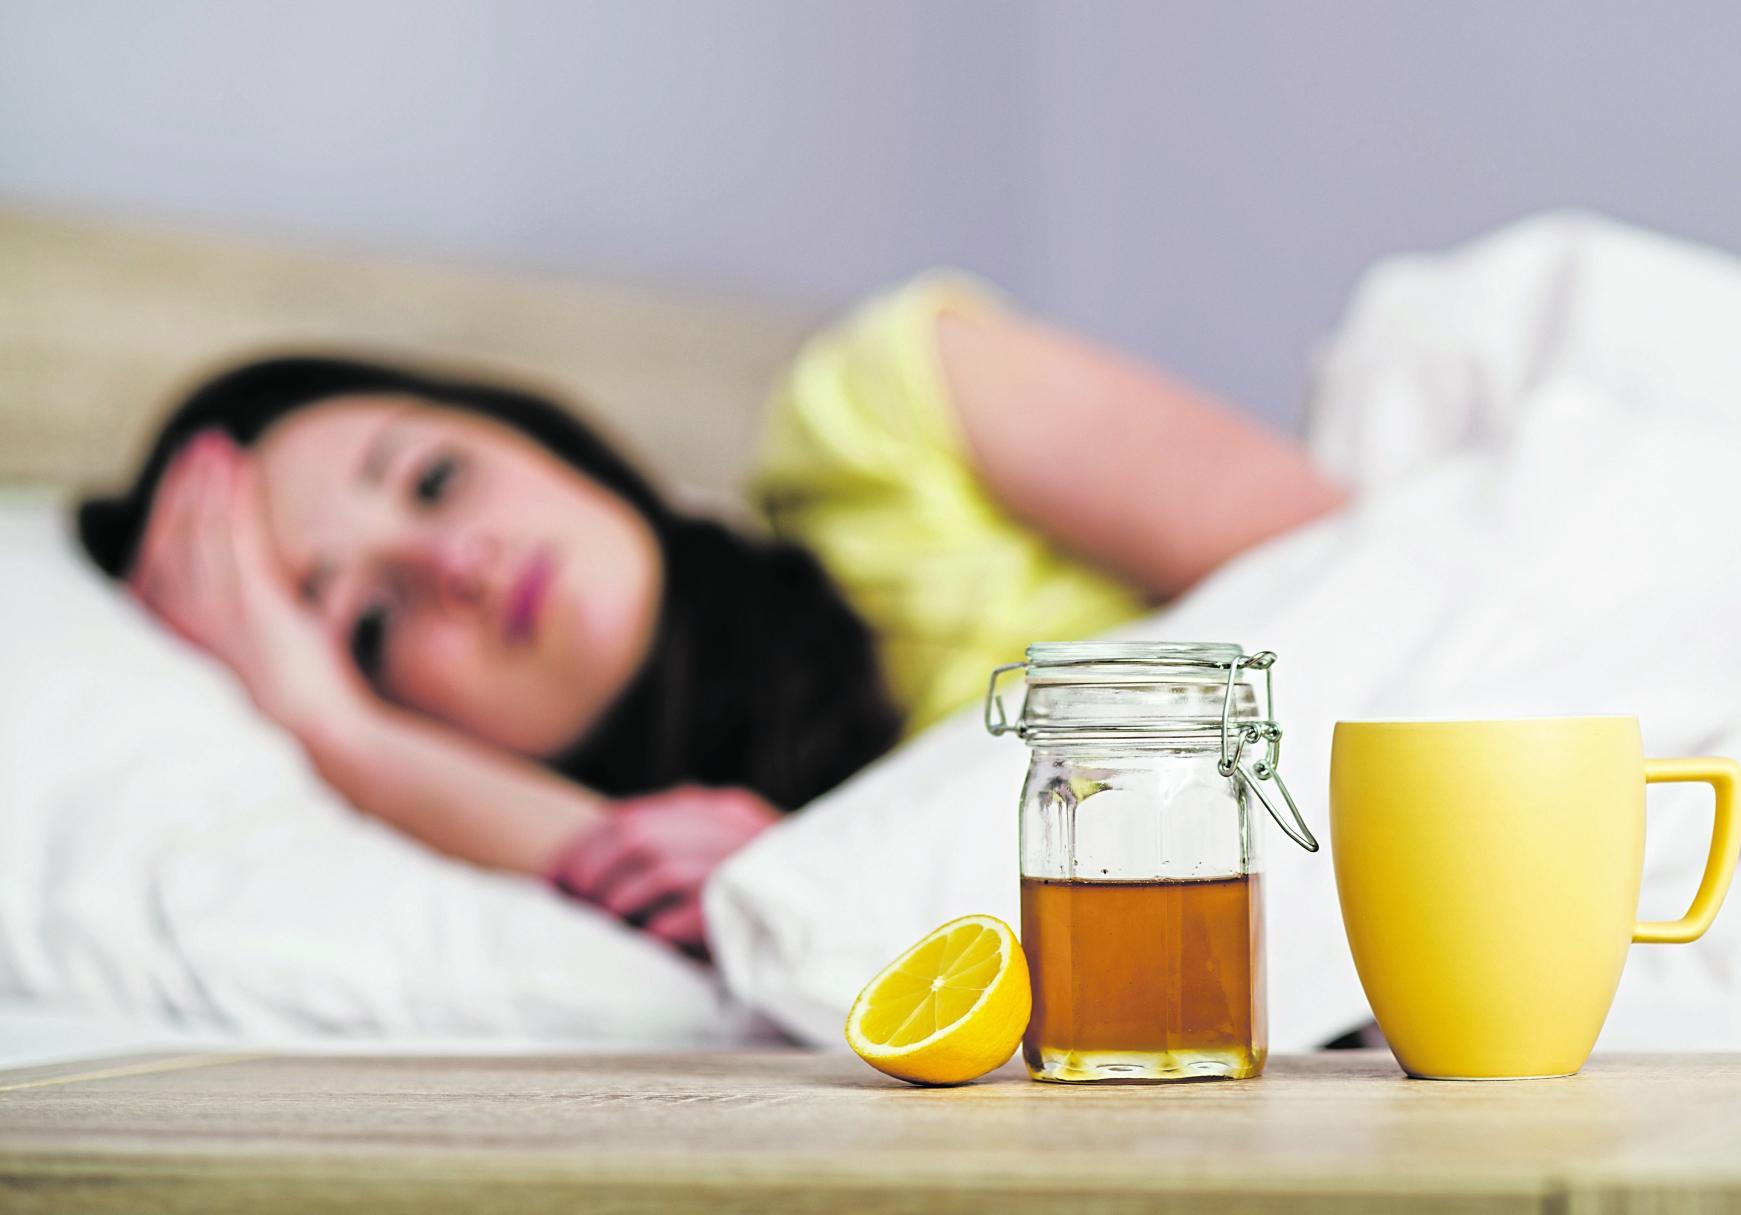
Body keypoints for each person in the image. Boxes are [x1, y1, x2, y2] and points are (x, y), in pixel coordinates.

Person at [77, 276, 1344, 959]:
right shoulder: (739, 876)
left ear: (520, 425)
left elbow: (1365, 589)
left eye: (432, 477)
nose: (454, 562)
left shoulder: (885, 421)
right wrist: (326, 723)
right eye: (363, 626)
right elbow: (748, 914)